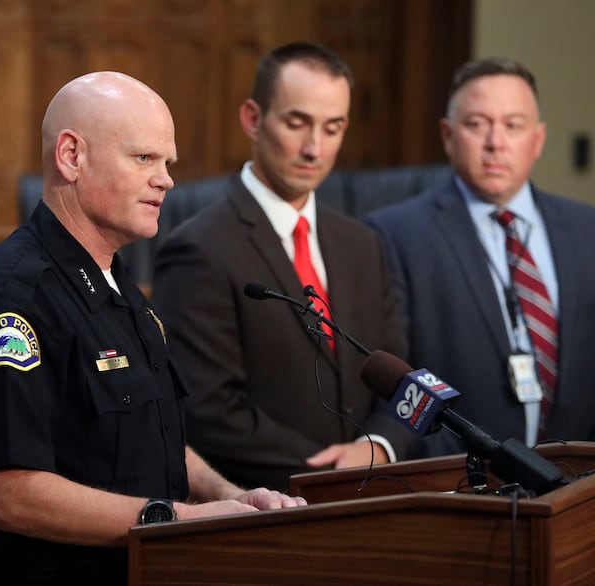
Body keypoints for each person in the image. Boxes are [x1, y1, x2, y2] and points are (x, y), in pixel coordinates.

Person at [0, 71, 305, 586]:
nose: (167, 179)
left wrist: (228, 496)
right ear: (71, 156)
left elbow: (149, 440)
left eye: (168, 163)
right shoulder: (8, 297)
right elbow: (11, 497)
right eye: (144, 158)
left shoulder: (121, 287)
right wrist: (184, 520)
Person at [150, 42, 415, 491]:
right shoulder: (198, 249)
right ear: (253, 119)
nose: (314, 148)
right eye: (298, 123)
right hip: (268, 505)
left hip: (371, 496)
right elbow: (209, 412)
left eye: (333, 128)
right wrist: (331, 475)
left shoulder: (362, 243)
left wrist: (379, 446)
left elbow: (399, 374)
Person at [366, 57, 595, 459]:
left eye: (513, 125)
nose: (495, 142)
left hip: (585, 485)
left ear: (537, 140)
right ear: (448, 136)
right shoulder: (393, 234)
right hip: (460, 484)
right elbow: (398, 380)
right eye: (477, 124)